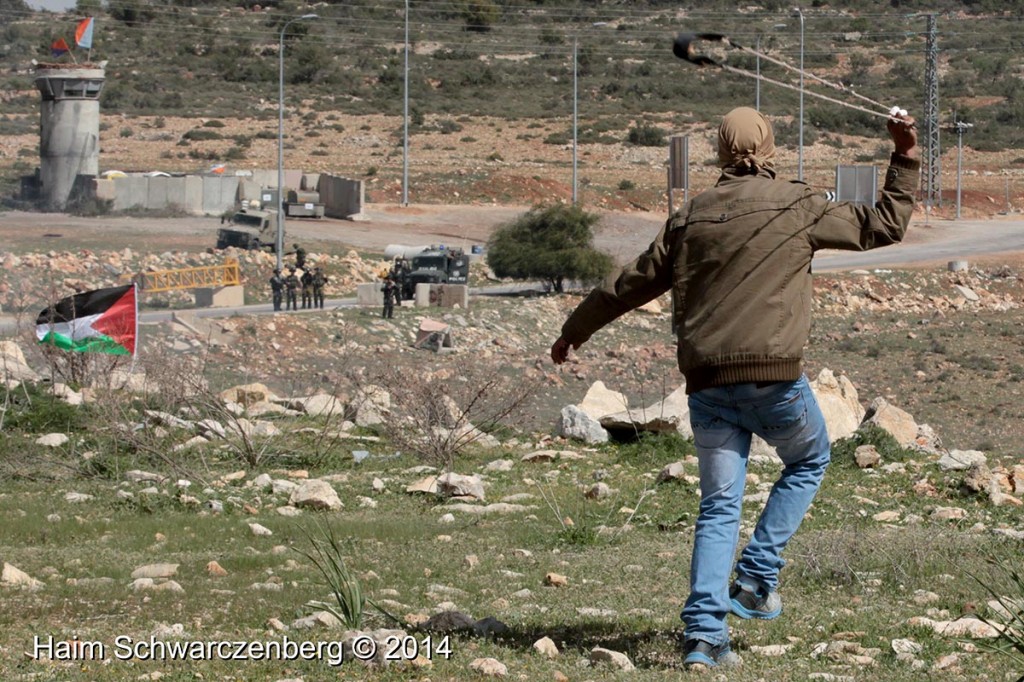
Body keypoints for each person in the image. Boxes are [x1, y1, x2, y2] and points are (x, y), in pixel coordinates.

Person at [550, 107, 918, 671]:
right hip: (775, 380)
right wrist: (905, 153)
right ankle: (755, 576)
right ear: (771, 148)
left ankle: (703, 638)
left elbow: (628, 285)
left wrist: (574, 330)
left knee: (719, 508)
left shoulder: (689, 218)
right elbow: (885, 224)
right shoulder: (800, 205)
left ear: (721, 152)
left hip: (708, 387)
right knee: (810, 458)